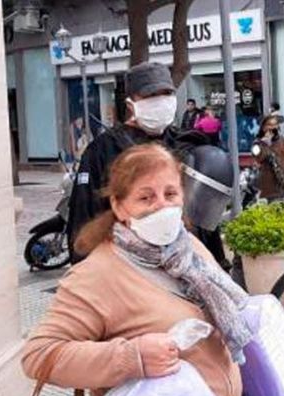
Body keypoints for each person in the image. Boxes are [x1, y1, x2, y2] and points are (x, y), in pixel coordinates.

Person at [22, 144, 250, 396]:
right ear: (119, 206)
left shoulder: (188, 247)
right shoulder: (97, 274)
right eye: (145, 197)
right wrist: (132, 357)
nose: (162, 206)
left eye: (170, 194)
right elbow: (39, 355)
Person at [68, 62, 206, 264]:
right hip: (123, 262)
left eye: (166, 94)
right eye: (151, 96)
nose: (161, 101)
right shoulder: (103, 150)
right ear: (131, 104)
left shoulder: (185, 144)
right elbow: (84, 213)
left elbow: (203, 218)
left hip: (183, 261)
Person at [254, 114, 284, 202]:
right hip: (268, 184)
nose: (272, 127)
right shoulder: (258, 143)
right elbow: (259, 157)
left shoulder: (282, 140)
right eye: (269, 125)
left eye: (275, 124)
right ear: (263, 127)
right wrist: (266, 143)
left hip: (282, 180)